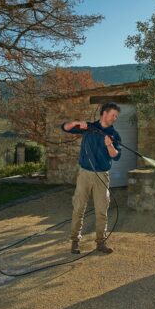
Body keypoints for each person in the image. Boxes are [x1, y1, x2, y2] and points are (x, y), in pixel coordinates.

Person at [60, 102, 122, 254]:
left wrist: (109, 145)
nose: (115, 118)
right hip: (85, 174)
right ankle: (75, 241)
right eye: (113, 115)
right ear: (104, 113)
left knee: (102, 211)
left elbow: (116, 156)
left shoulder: (114, 135)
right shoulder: (88, 127)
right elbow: (65, 127)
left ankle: (101, 243)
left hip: (102, 175)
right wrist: (77, 123)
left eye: (116, 116)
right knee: (79, 208)